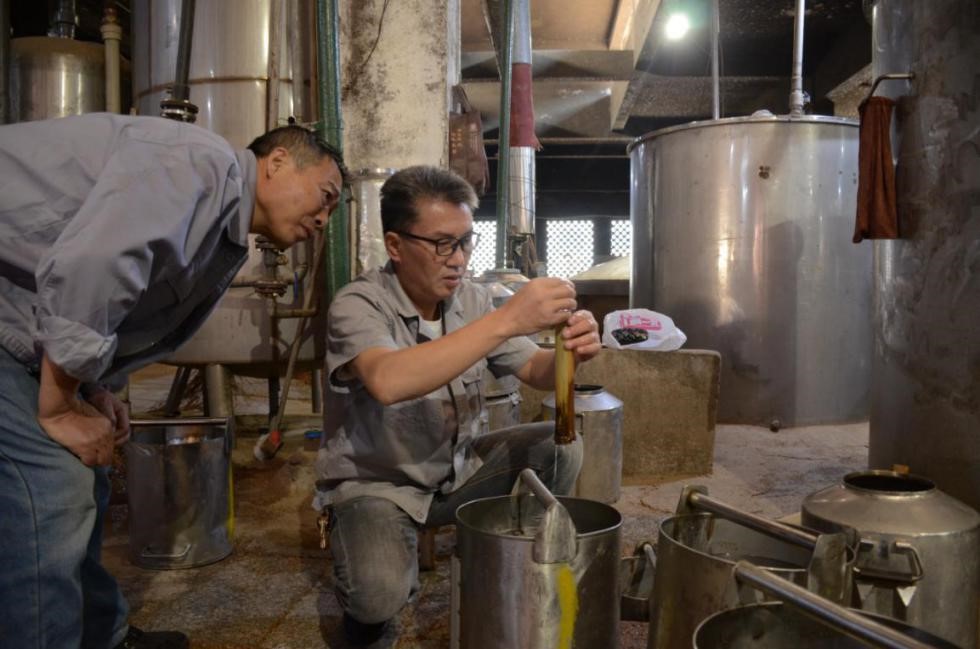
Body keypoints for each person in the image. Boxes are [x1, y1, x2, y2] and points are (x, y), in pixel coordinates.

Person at [0, 114, 346, 649]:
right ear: (277, 161)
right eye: (325, 196)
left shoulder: (219, 212)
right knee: (51, 492)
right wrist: (60, 406)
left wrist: (94, 387)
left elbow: (117, 301)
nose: (323, 219)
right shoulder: (198, 164)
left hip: (23, 316)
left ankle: (100, 636)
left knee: (84, 473)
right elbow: (98, 263)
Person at [314, 165, 601, 646]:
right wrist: (507, 319)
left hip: (457, 474)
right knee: (377, 600)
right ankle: (365, 598)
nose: (460, 260)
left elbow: (536, 370)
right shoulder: (358, 304)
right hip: (380, 485)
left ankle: (510, 560)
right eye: (443, 244)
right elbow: (388, 380)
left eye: (466, 241)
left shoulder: (473, 301)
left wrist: (572, 352)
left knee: (560, 447)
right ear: (395, 245)